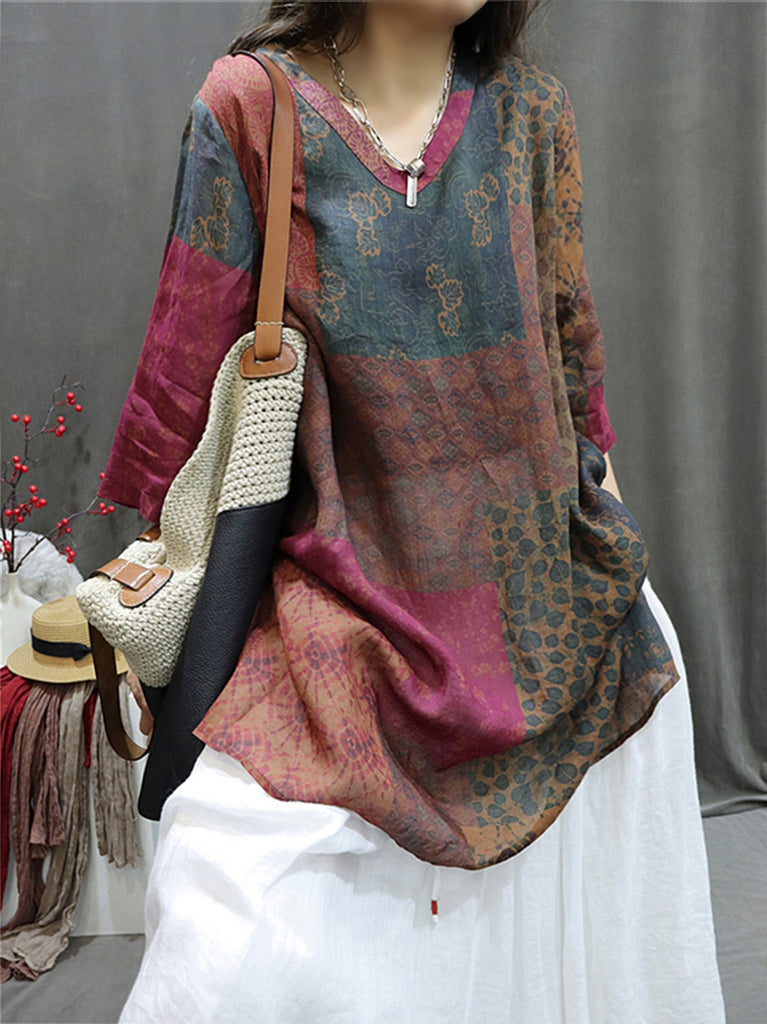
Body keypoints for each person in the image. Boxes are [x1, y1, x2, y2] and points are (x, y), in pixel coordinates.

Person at [105, 2, 726, 1020]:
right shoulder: (252, 107)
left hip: (550, 611)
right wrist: (151, 588)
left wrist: (622, 567)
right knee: (228, 955)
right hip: (337, 617)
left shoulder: (530, 111)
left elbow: (570, 357)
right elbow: (183, 389)